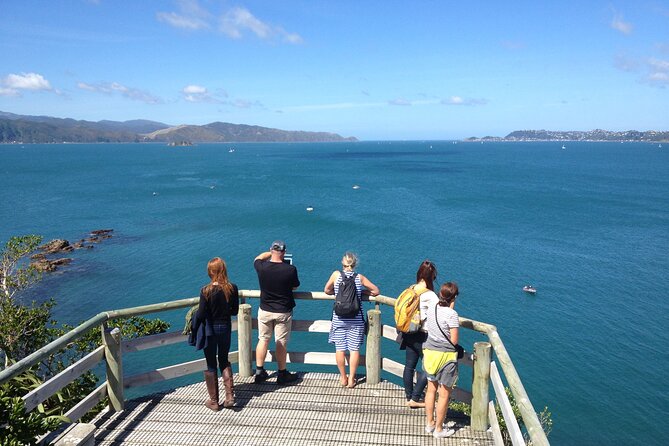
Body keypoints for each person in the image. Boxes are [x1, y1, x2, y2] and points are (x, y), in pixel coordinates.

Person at [324, 252, 380, 388]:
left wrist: (337, 293)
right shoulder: (359, 278)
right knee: (354, 349)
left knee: (340, 349)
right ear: (354, 264)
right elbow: (376, 291)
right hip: (356, 319)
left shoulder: (336, 275)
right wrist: (362, 292)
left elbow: (326, 290)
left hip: (339, 318)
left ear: (342, 264)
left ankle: (343, 378)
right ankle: (352, 380)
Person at [253, 240, 301, 384]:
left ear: (271, 250)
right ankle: (281, 373)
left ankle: (259, 371)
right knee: (281, 342)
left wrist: (270, 253)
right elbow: (295, 287)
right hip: (283, 311)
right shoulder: (290, 269)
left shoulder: (262, 267)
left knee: (263, 339)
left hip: (265, 309)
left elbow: (258, 258)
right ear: (284, 252)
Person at [196, 257, 239, 411]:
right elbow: (234, 311)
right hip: (225, 327)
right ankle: (230, 396)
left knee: (210, 362)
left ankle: (214, 401)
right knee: (224, 359)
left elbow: (200, 314)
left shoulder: (205, 290)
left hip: (210, 330)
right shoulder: (232, 288)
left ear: (210, 272)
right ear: (224, 270)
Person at [400, 260, 439, 408]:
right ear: (430, 277)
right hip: (423, 335)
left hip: (408, 332)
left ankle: (409, 396)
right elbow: (439, 313)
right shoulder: (430, 295)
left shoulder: (411, 289)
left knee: (409, 366)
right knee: (429, 368)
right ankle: (415, 398)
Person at [423, 282, 460, 438]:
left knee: (431, 390)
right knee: (444, 394)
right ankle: (439, 429)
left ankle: (430, 424)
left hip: (430, 353)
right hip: (446, 357)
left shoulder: (432, 309)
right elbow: (454, 340)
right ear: (454, 298)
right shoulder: (452, 315)